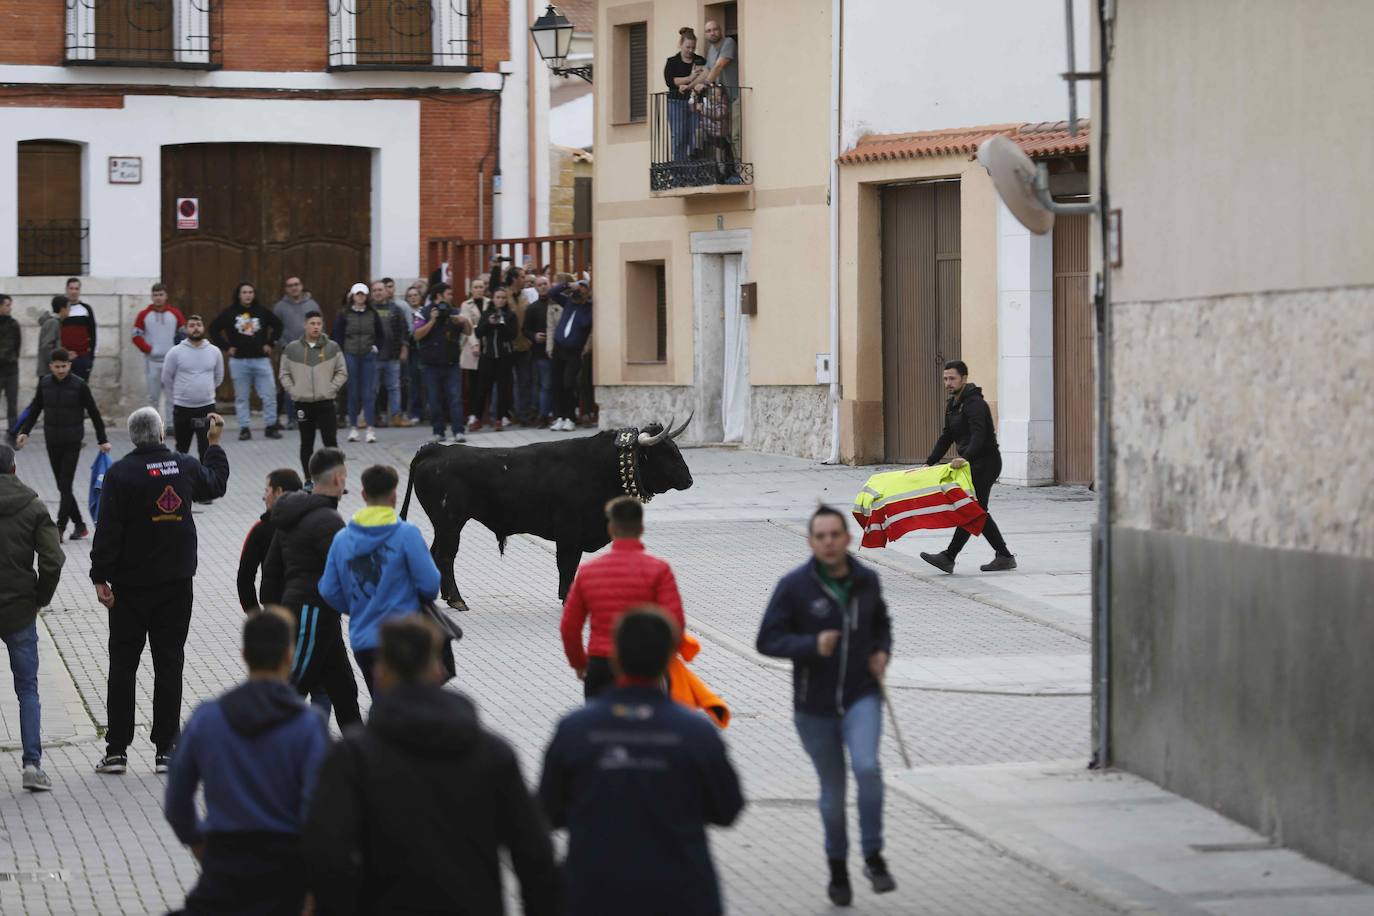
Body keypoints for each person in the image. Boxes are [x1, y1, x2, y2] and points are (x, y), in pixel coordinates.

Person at [304, 616, 558, 915]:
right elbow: (534, 853)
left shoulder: (352, 758)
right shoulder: (492, 753)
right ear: (438, 670)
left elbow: (329, 854)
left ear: (380, 672)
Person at [540, 607, 744, 916]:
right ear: (668, 662)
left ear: (615, 659)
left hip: (594, 888)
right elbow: (727, 809)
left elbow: (548, 810)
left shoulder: (576, 730)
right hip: (680, 890)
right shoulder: (694, 733)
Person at [755, 505, 896, 906]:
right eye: (821, 536)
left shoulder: (866, 580)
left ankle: (873, 855)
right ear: (811, 542)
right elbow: (766, 640)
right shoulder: (794, 586)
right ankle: (837, 867)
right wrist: (810, 646)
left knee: (868, 768)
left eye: (836, 535)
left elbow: (882, 622)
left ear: (847, 538)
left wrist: (882, 651)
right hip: (813, 707)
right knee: (833, 793)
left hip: (861, 695)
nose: (829, 542)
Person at [90, 407, 230, 775]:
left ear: (133, 437)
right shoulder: (182, 465)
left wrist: (99, 577)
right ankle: (166, 748)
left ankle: (117, 749)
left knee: (123, 665)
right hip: (175, 585)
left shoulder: (119, 473)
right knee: (169, 662)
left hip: (129, 588)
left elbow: (108, 529)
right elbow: (215, 484)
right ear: (162, 432)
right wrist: (213, 444)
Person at [164, 608, 331, 915]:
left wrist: (198, 842)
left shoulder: (208, 718)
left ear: (244, 654)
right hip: (286, 875)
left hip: (225, 868)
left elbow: (176, 798)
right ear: (289, 656)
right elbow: (319, 813)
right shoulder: (309, 725)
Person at [260, 448, 361, 729]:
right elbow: (343, 574)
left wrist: (271, 610)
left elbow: (271, 570)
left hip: (314, 613)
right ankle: (262, 751)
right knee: (293, 685)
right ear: (339, 479)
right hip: (312, 612)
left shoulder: (293, 513)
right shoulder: (329, 521)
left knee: (343, 688)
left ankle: (360, 756)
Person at [319, 464, 441, 697]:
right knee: (408, 706)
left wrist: (358, 605)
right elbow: (430, 584)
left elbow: (328, 590)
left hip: (363, 640)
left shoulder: (342, 539)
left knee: (383, 701)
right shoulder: (407, 534)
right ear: (395, 495)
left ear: (363, 495)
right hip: (405, 639)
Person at [561, 496, 686, 701]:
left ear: (611, 529)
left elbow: (570, 627)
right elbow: (675, 622)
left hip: (601, 664)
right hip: (646, 667)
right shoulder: (659, 570)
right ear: (641, 529)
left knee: (601, 729)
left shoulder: (588, 572)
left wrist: (579, 663)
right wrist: (664, 661)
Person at [0, 443, 64, 792]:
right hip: (21, 609)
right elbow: (53, 560)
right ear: (13, 469)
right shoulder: (33, 506)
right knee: (27, 689)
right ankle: (32, 765)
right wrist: (40, 598)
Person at [918, 360, 1017, 573]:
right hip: (972, 463)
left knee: (973, 509)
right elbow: (947, 437)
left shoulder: (975, 404)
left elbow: (980, 434)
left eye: (952, 378)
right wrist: (930, 461)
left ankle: (950, 556)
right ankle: (1003, 556)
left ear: (964, 378)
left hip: (986, 463)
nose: (948, 383)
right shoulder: (953, 404)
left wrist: (966, 457)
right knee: (975, 510)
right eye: (945, 378)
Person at [15, 348, 111, 541]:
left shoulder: (79, 385)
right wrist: (25, 431)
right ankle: (81, 525)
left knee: (65, 484)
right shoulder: (44, 384)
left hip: (73, 441)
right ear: (51, 366)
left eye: (64, 366)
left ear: (69, 365)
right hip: (52, 440)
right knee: (62, 485)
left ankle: (60, 526)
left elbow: (93, 413)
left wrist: (103, 440)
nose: (60, 370)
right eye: (57, 366)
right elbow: (35, 409)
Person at [279, 311, 347, 485]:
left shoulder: (332, 347)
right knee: (306, 443)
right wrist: (293, 391)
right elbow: (284, 373)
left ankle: (336, 480)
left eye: (319, 323)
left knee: (330, 442)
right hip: (303, 403)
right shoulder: (292, 348)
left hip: (326, 401)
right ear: (305, 325)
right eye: (312, 323)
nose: (316, 327)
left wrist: (331, 389)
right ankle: (309, 479)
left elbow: (342, 372)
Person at [211, 282, 283, 441]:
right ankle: (244, 428)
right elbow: (213, 329)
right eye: (244, 292)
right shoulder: (230, 313)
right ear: (239, 294)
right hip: (239, 362)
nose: (248, 295)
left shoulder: (262, 311)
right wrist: (226, 347)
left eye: (250, 292)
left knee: (269, 394)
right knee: (242, 397)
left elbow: (278, 325)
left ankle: (271, 426)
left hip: (261, 361)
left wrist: (271, 343)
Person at [237, 469, 304, 613]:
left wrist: (254, 614)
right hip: (310, 610)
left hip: (275, 611)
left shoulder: (261, 530)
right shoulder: (314, 521)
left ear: (278, 492)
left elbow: (245, 578)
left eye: (267, 491)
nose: (263, 497)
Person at [412, 282, 469, 444]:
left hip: (451, 364)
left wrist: (464, 321)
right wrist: (432, 321)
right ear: (439, 296)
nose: (452, 297)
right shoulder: (423, 312)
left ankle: (458, 431)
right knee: (434, 399)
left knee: (455, 398)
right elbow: (417, 335)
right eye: (449, 294)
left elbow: (469, 331)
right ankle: (438, 431)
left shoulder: (454, 312)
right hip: (431, 365)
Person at [161, 314, 224, 460]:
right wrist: (178, 396)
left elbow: (218, 377)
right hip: (183, 410)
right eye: (192, 326)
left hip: (206, 410)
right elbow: (167, 378)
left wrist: (204, 390)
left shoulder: (214, 351)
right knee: (181, 450)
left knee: (206, 448)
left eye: (198, 325)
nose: (196, 328)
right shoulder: (175, 352)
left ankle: (205, 479)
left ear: (203, 327)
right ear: (186, 329)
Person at [334, 283, 385, 443]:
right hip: (350, 355)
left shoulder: (372, 313)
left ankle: (370, 428)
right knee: (353, 392)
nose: (360, 297)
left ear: (366, 296)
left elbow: (380, 334)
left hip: (368, 355)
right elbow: (337, 334)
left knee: (368, 393)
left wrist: (376, 347)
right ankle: (354, 428)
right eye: (358, 294)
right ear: (353, 296)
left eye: (363, 294)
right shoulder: (344, 314)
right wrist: (340, 353)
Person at [131, 283, 187, 418]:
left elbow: (184, 335)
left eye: (161, 295)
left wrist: (177, 352)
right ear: (151, 296)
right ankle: (154, 426)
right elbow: (136, 336)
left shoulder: (175, 314)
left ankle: (170, 425)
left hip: (171, 363)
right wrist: (149, 349)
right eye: (155, 295)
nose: (158, 298)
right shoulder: (143, 315)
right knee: (152, 397)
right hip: (152, 362)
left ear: (166, 296)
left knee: (172, 396)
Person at [274, 276, 320, 430]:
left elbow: (319, 326)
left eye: (296, 284)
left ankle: (311, 417)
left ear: (301, 286)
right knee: (290, 388)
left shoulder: (312, 304)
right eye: (290, 286)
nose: (294, 288)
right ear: (286, 289)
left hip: (310, 350)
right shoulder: (280, 307)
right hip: (290, 352)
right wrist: (283, 345)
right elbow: (275, 330)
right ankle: (293, 418)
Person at [549, 279, 593, 431]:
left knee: (568, 383)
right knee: (556, 384)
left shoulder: (589, 308)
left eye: (583, 288)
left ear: (588, 291)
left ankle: (570, 417)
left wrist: (583, 303)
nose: (579, 291)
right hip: (558, 349)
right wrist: (567, 285)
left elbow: (584, 323)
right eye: (578, 288)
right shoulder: (568, 302)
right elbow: (552, 293)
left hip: (574, 351)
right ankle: (560, 417)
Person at [370, 280, 411, 429]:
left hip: (393, 355)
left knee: (394, 388)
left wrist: (404, 348)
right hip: (374, 357)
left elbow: (404, 330)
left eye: (380, 290)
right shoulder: (369, 310)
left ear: (386, 291)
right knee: (373, 389)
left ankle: (396, 416)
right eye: (375, 290)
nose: (378, 293)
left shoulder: (396, 309)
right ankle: (374, 417)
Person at [475, 286, 518, 431]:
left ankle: (499, 419)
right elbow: (478, 333)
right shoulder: (486, 313)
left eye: (503, 298)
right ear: (493, 299)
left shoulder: (510, 315)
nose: (500, 300)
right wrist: (489, 323)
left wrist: (501, 325)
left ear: (506, 300)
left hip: (504, 357)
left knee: (502, 389)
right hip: (487, 356)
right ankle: (478, 419)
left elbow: (512, 335)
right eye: (498, 297)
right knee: (481, 389)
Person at [665, 27, 706, 164]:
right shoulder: (672, 62)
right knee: (679, 137)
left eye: (693, 47)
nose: (690, 50)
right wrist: (690, 78)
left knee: (695, 137)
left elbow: (705, 78)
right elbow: (671, 81)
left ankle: (693, 171)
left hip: (696, 103)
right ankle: (680, 172)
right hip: (676, 103)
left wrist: (688, 84)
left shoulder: (700, 60)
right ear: (681, 44)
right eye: (687, 47)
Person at [524, 275, 554, 426]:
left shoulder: (557, 304)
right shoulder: (532, 308)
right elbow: (525, 330)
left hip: (558, 351)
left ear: (550, 285)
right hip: (540, 352)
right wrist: (534, 336)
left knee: (555, 385)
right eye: (540, 284)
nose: (543, 286)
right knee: (544, 385)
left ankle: (555, 414)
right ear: (535, 287)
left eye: (545, 284)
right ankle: (542, 416)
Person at [459, 278, 487, 430]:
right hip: (472, 347)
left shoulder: (490, 302)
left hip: (488, 346)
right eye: (476, 287)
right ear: (471, 289)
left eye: (481, 286)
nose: (479, 289)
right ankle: (472, 414)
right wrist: (475, 344)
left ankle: (483, 415)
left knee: (485, 382)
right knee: (473, 384)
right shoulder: (466, 304)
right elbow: (467, 326)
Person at [59, 277, 97, 381]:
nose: (74, 291)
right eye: (71, 288)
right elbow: (57, 334)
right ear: (66, 290)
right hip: (64, 359)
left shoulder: (86, 309)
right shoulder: (61, 309)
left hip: (82, 358)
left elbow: (93, 333)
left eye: (76, 289)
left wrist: (91, 357)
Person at [402, 284, 427, 424]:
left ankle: (427, 411)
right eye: (410, 296)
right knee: (413, 382)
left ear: (420, 297)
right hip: (411, 351)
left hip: (425, 350)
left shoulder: (425, 312)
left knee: (427, 382)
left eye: (415, 295)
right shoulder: (404, 312)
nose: (413, 298)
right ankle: (415, 412)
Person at [700, 19, 738, 98]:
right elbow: (706, 71)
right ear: (705, 34)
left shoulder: (728, 42)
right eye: (709, 31)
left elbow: (719, 66)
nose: (712, 33)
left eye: (715, 29)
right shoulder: (711, 49)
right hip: (719, 99)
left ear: (720, 30)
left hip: (734, 96)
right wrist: (690, 86)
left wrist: (704, 84)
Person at [0, 294, 20, 442]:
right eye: (7, 305)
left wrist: (11, 358)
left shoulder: (14, 324)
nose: (10, 308)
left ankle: (12, 433)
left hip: (11, 369)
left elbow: (17, 345)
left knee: (12, 403)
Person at [36, 296, 66, 380]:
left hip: (49, 371)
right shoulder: (53, 323)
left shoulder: (54, 322)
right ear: (63, 309)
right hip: (48, 372)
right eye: (68, 308)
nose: (69, 311)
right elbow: (46, 346)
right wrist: (57, 364)